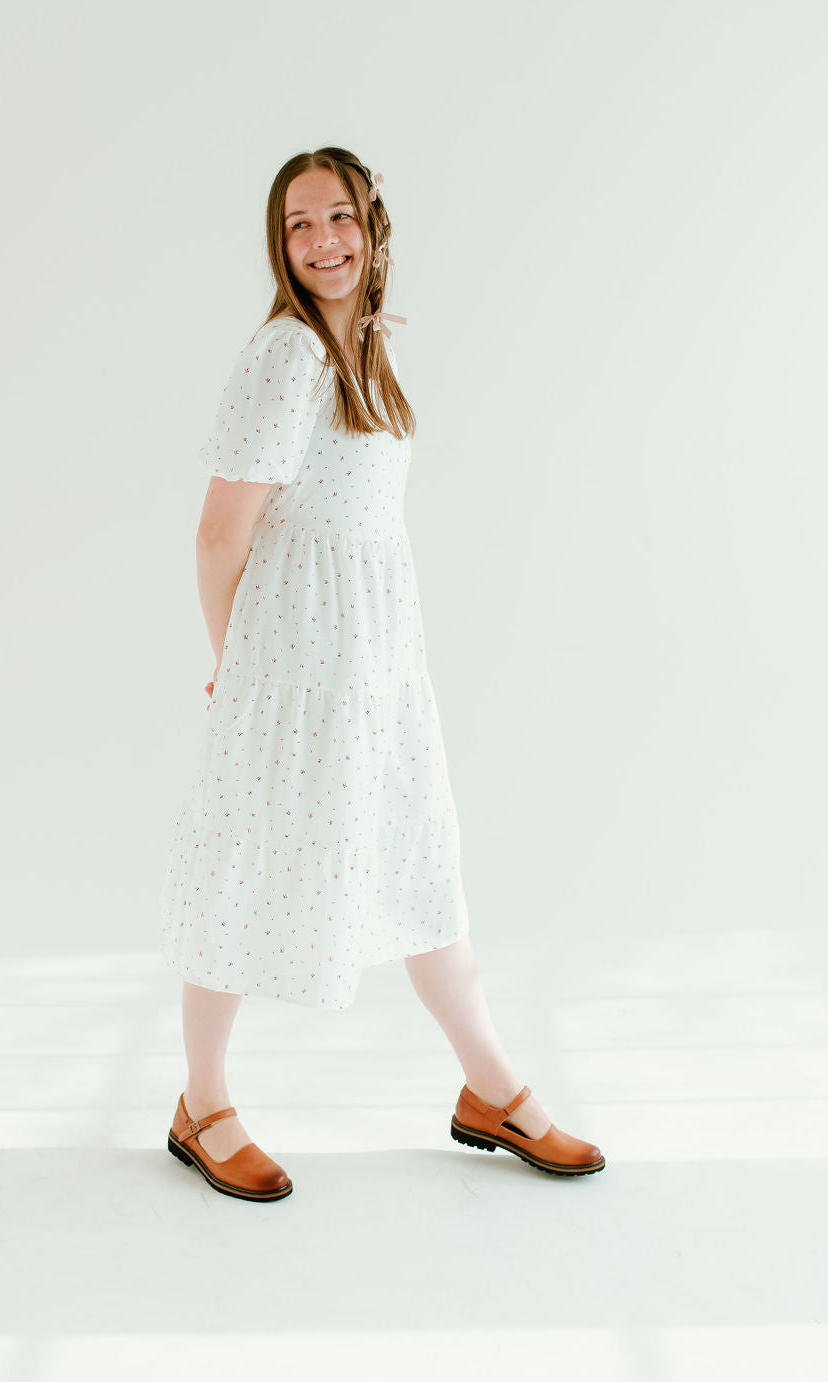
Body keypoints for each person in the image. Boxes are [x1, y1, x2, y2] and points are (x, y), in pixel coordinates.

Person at [162, 147, 605, 1201]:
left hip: (374, 664)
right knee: (249, 862)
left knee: (416, 853)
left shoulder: (360, 348)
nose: (322, 242)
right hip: (292, 666)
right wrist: (238, 665)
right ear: (281, 246)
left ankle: (490, 1086)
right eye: (299, 225)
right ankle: (201, 1101)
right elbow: (221, 533)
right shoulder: (288, 355)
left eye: (338, 217)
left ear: (373, 226)